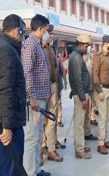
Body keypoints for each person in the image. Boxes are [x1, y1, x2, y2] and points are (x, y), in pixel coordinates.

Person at [0, 14, 27, 175]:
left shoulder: (1, 46)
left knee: (2, 167)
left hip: (1, 119)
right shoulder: (6, 51)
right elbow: (5, 90)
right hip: (7, 123)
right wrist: (7, 126)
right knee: (9, 168)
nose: (24, 35)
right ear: (17, 31)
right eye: (23, 31)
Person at [22, 14, 51, 176]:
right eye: (46, 30)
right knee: (32, 138)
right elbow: (27, 72)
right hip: (35, 99)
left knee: (38, 135)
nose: (47, 33)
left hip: (41, 96)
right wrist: (32, 97)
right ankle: (29, 172)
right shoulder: (30, 45)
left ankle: (36, 169)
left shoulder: (38, 44)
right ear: (40, 29)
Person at [68, 34, 94, 159]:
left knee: (82, 121)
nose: (87, 48)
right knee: (79, 123)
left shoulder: (77, 56)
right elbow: (77, 80)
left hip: (81, 93)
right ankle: (79, 150)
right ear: (81, 45)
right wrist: (83, 98)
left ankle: (81, 145)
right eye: (86, 46)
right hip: (80, 95)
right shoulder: (77, 58)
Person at [41, 24, 63, 163]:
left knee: (52, 118)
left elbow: (56, 70)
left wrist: (59, 88)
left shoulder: (51, 48)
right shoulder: (37, 48)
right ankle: (44, 147)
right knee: (41, 120)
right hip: (42, 87)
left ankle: (50, 146)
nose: (51, 35)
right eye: (49, 33)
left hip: (53, 85)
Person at [92, 35, 109, 155]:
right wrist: (99, 91)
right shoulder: (98, 57)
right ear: (104, 44)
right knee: (102, 117)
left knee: (107, 117)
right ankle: (100, 144)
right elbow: (95, 75)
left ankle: (105, 140)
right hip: (101, 89)